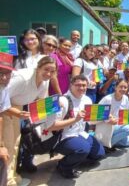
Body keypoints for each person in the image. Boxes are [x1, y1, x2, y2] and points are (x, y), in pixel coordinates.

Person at [4, 56, 56, 186]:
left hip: (18, 109)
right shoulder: (22, 78)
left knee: (15, 144)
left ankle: (12, 176)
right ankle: (8, 181)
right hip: (5, 109)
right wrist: (14, 112)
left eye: (52, 71)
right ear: (38, 68)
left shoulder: (45, 80)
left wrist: (55, 110)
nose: (49, 74)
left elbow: (42, 101)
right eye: (46, 69)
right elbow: (1, 97)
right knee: (8, 146)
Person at [51, 75, 105, 178]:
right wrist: (75, 119)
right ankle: (64, 166)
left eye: (84, 85)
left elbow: (90, 121)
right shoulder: (62, 101)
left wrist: (104, 118)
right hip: (63, 137)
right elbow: (53, 126)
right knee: (83, 149)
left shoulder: (87, 99)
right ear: (71, 85)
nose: (81, 88)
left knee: (99, 154)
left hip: (80, 133)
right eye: (78, 85)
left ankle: (75, 158)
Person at [96, 79, 129, 149]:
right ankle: (106, 146)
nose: (123, 89)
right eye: (121, 87)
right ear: (115, 87)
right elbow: (97, 113)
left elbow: (126, 115)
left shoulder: (125, 98)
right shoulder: (107, 99)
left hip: (118, 124)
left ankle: (108, 141)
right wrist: (108, 119)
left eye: (125, 87)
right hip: (106, 125)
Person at [0, 53, 15, 186]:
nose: (4, 77)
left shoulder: (3, 88)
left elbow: (2, 112)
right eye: (0, 73)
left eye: (7, 74)